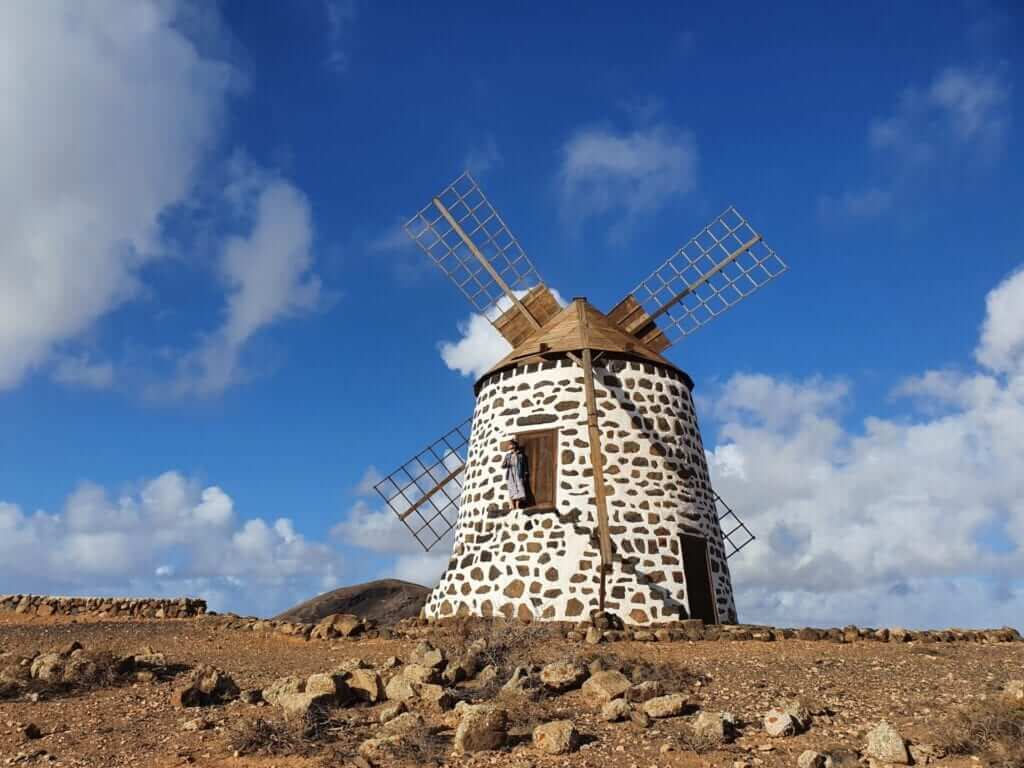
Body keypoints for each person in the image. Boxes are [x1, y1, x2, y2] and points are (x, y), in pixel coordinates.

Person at [502, 438, 528, 509]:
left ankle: (517, 505)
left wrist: (525, 473)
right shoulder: (508, 456)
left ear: (515, 447)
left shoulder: (520, 456)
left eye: (513, 447)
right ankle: (512, 505)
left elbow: (524, 465)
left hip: (518, 473)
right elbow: (503, 465)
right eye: (511, 448)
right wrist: (506, 464)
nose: (511, 449)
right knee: (512, 488)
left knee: (520, 488)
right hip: (510, 473)